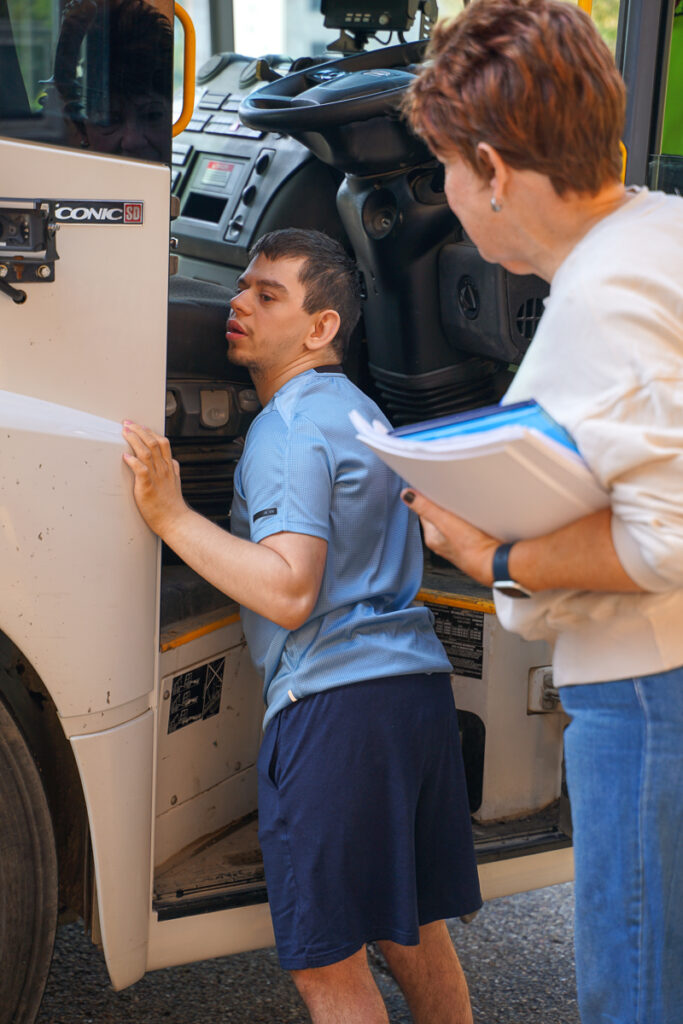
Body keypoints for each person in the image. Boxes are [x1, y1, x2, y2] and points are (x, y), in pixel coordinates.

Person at [400, 2, 683, 1023]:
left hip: (647, 691)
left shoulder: (602, 295)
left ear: (491, 169)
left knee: (637, 992)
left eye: (443, 167)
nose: (444, 195)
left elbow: (666, 539)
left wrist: (493, 555)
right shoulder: (659, 227)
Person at [123, 229, 481, 1024]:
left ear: (321, 327)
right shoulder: (359, 411)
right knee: (413, 928)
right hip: (413, 695)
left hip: (335, 710)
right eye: (242, 286)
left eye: (267, 294)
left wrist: (170, 515)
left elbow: (289, 590)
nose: (238, 302)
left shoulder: (286, 428)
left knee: (327, 966)